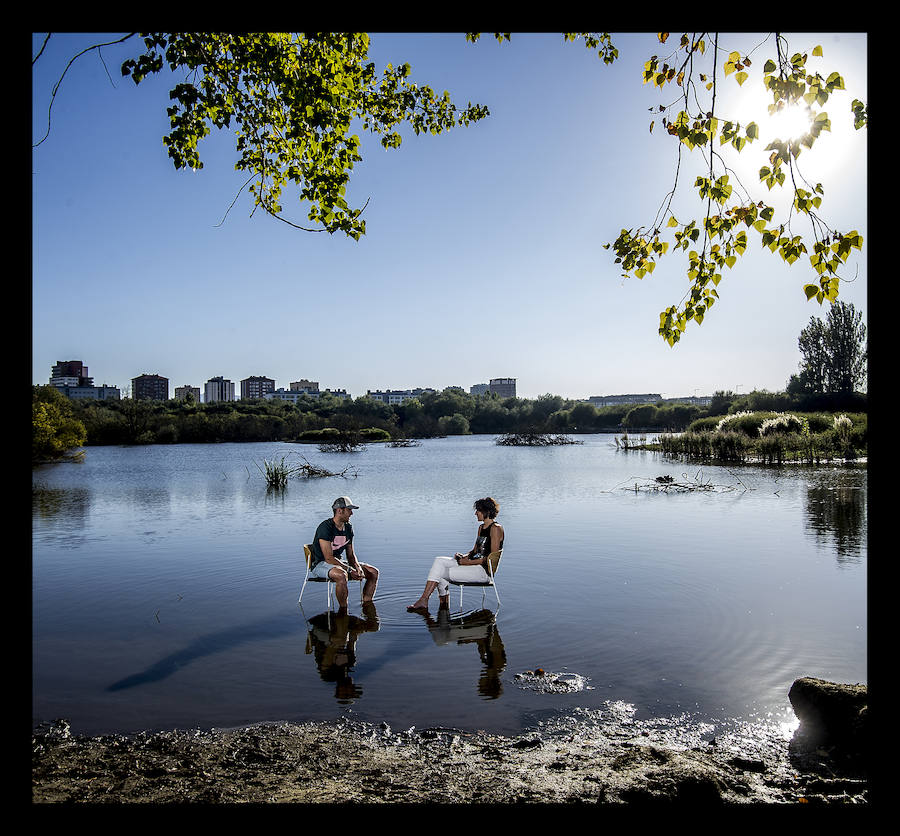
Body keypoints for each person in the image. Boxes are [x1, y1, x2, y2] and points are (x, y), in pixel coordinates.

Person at [407, 497, 504, 611]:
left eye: (478, 510)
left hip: (483, 572)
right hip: (472, 565)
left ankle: (433, 603)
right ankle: (439, 604)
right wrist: (463, 556)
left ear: (486, 511)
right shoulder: (481, 527)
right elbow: (474, 551)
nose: (475, 513)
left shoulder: (496, 529)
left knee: (440, 572)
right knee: (439, 561)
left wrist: (468, 562)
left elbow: (490, 559)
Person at [309, 497, 379, 607]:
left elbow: (350, 555)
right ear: (340, 510)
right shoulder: (325, 527)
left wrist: (358, 568)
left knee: (373, 572)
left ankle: (367, 605)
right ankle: (343, 611)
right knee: (341, 575)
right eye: (349, 510)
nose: (352, 514)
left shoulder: (348, 528)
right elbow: (328, 558)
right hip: (321, 564)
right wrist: (350, 570)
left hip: (340, 563)